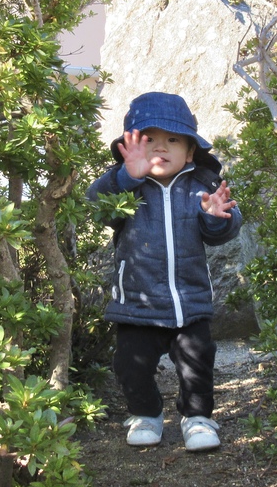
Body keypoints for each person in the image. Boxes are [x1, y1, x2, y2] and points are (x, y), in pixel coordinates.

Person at [87, 92, 243, 452]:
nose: (161, 147)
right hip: (136, 304)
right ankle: (145, 413)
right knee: (130, 364)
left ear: (190, 151)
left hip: (188, 302)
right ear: (130, 146)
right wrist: (125, 178)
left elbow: (223, 231)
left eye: (173, 139)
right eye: (150, 139)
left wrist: (215, 217)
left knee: (197, 361)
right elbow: (95, 209)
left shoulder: (201, 186)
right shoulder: (124, 185)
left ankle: (198, 417)